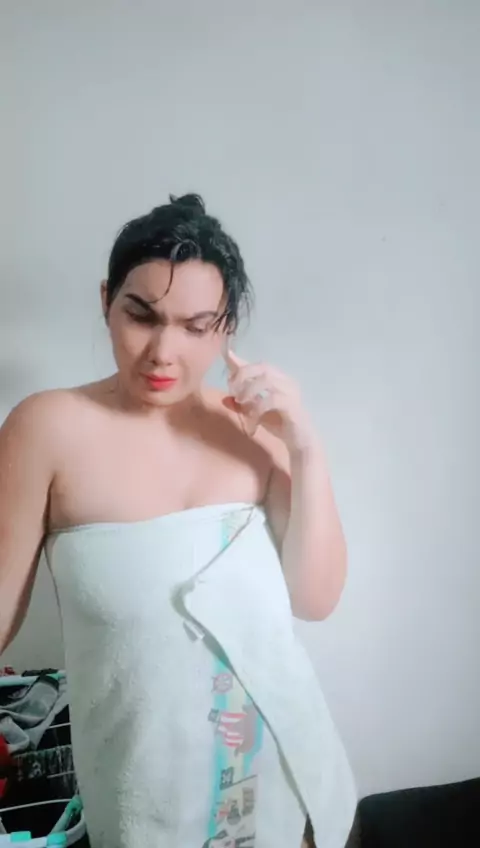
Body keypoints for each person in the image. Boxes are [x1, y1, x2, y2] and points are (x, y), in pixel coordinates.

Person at [0, 195, 356, 847]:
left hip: (293, 792)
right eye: (141, 315)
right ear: (106, 301)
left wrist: (304, 446)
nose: (163, 352)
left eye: (196, 327)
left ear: (226, 329)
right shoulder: (45, 428)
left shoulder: (253, 431)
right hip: (147, 805)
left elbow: (315, 599)